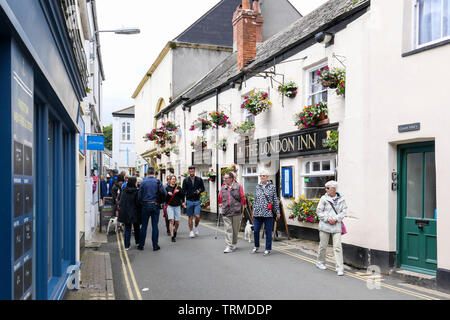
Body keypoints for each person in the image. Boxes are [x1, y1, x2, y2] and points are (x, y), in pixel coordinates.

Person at [315, 180, 347, 276]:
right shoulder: (324, 198)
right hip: (325, 225)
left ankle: (340, 268)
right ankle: (320, 262)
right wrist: (328, 219)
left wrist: (336, 219)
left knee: (337, 247)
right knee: (323, 246)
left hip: (336, 226)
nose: (326, 189)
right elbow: (319, 211)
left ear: (334, 189)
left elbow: (344, 211)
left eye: (328, 188)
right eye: (325, 188)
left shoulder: (342, 199)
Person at [251, 170, 280, 256]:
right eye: (261, 176)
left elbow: (275, 200)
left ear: (267, 177)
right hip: (257, 213)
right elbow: (255, 200)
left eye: (264, 176)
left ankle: (268, 248)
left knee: (268, 231)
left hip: (268, 213)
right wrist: (253, 212)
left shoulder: (272, 187)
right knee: (256, 231)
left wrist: (277, 212)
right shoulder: (257, 187)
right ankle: (256, 246)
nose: (262, 177)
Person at [137, 167, 166, 251]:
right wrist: (159, 201)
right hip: (155, 205)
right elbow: (165, 193)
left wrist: (143, 203)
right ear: (154, 173)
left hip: (145, 205)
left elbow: (139, 196)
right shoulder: (158, 182)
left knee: (144, 226)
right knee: (155, 226)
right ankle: (155, 245)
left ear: (147, 173)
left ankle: (141, 245)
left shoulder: (143, 182)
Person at [218, 172, 246, 253]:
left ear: (231, 179)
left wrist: (241, 207)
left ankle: (234, 243)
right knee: (228, 229)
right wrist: (220, 203)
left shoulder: (238, 186)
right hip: (226, 211)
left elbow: (242, 197)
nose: (224, 179)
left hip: (236, 211)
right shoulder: (223, 188)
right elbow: (220, 197)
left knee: (235, 229)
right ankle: (228, 246)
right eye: (224, 178)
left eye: (226, 178)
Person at [118, 177, 141, 250]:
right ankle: (138, 242)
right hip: (135, 212)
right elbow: (138, 203)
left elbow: (121, 202)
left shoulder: (124, 191)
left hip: (126, 212)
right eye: (136, 182)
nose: (137, 183)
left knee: (127, 229)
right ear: (134, 183)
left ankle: (127, 246)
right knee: (137, 228)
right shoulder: (137, 191)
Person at [182, 166, 205, 238]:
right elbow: (183, 192)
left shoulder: (199, 179)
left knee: (197, 216)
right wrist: (183, 201)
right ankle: (191, 231)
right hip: (189, 201)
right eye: (190, 171)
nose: (191, 172)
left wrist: (199, 191)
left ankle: (196, 227)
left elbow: (203, 188)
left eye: (192, 171)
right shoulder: (185, 180)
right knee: (190, 217)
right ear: (189, 171)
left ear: (194, 171)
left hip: (197, 200)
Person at [165, 175, 186, 242]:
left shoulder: (178, 188)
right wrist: (167, 194)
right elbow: (164, 198)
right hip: (170, 206)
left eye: (174, 179)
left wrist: (179, 192)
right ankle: (172, 236)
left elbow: (183, 196)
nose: (173, 180)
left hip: (177, 206)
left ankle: (175, 231)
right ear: (170, 180)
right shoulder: (167, 188)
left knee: (177, 222)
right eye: (172, 179)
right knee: (171, 221)